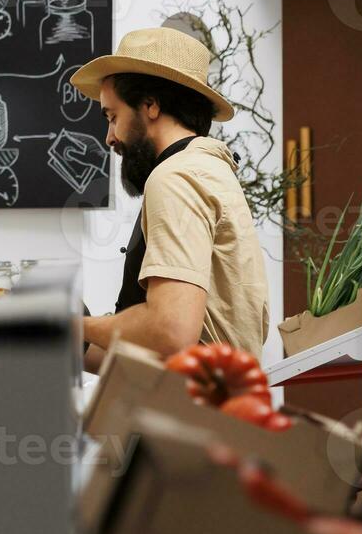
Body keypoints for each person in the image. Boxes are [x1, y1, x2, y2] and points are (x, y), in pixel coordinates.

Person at [74, 27, 269, 368]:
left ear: (150, 105)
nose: (109, 137)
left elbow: (171, 331)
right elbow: (161, 348)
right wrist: (75, 344)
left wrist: (76, 326)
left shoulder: (175, 178)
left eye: (112, 116)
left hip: (189, 415)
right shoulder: (208, 168)